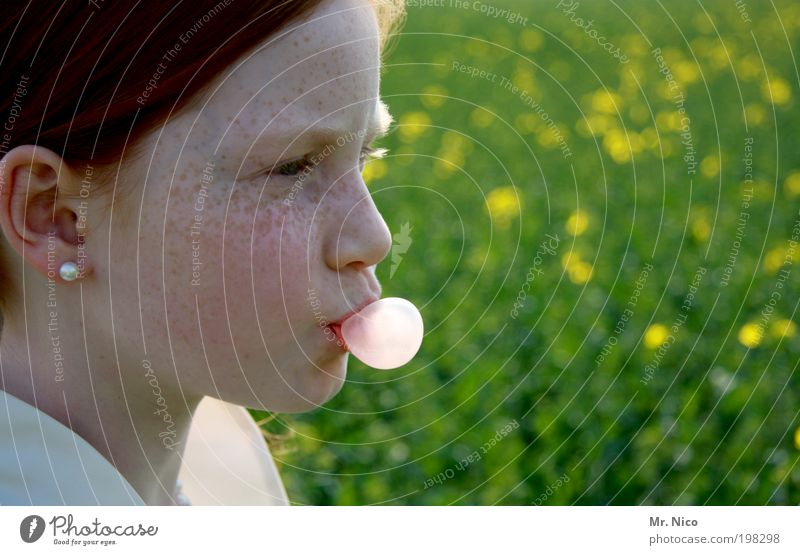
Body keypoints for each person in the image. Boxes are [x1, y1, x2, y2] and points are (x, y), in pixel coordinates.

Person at [0, 0, 405, 505]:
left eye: (364, 153)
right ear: (56, 216)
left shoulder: (222, 472)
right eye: (291, 167)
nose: (374, 236)